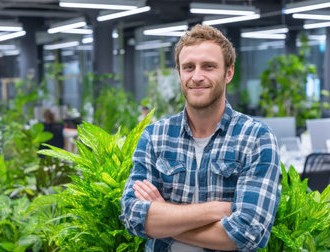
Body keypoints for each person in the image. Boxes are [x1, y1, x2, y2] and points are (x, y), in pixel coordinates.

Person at [120, 24, 281, 251]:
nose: (197, 76)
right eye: (188, 67)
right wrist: (216, 209)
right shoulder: (155, 136)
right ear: (179, 74)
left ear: (229, 73)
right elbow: (133, 217)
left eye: (208, 66)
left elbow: (248, 232)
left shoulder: (256, 138)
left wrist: (163, 217)